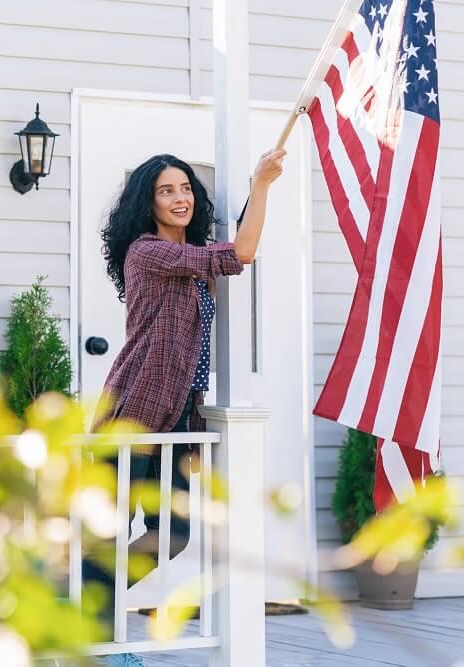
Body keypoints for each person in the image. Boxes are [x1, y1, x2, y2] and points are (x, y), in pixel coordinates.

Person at [88, 150, 285, 666]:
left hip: (177, 417)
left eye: (186, 190)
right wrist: (262, 184)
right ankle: (99, 643)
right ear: (147, 203)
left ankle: (86, 615)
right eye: (166, 191)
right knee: (108, 533)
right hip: (132, 413)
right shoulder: (147, 252)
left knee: (171, 534)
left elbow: (192, 347)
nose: (180, 198)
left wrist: (194, 424)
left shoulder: (192, 263)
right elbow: (240, 253)